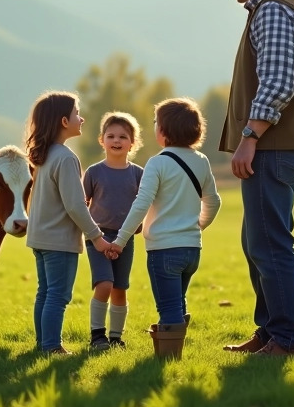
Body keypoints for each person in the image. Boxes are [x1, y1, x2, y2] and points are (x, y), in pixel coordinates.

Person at [205, 0, 294, 359]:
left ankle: (287, 340)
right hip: (275, 147)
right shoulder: (276, 7)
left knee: (269, 243)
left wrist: (249, 138)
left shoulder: (273, 10)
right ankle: (271, 332)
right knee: (259, 242)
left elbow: (277, 83)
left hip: (272, 147)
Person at [108, 99, 221, 340]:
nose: (154, 126)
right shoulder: (201, 161)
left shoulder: (158, 163)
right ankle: (173, 352)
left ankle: (169, 360)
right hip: (192, 249)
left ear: (164, 131)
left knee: (169, 309)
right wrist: (199, 225)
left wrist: (120, 240)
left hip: (164, 250)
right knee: (177, 303)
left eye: (156, 122)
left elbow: (141, 204)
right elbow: (214, 201)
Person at [24, 91, 114, 355]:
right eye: (77, 113)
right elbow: (74, 205)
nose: (81, 118)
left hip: (40, 238)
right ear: (64, 121)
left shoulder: (46, 155)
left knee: (45, 292)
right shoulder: (65, 157)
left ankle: (43, 344)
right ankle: (51, 347)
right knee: (58, 295)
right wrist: (96, 236)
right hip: (58, 241)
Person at [82, 112, 144, 351]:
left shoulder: (138, 173)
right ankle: (97, 335)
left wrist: (133, 230)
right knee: (104, 284)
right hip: (98, 237)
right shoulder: (94, 172)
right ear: (102, 140)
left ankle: (116, 338)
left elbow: (144, 204)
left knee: (120, 288)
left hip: (125, 238)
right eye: (111, 136)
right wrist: (95, 235)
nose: (116, 140)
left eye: (123, 136)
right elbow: (81, 205)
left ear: (133, 143)